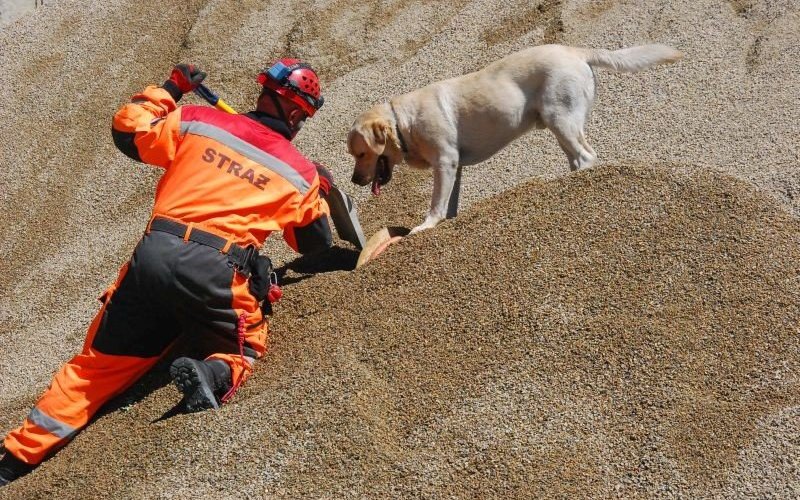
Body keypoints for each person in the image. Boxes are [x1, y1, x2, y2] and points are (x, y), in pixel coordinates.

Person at [0, 59, 335, 486]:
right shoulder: (297, 171)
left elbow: (129, 131)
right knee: (245, 349)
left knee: (94, 369)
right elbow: (313, 243)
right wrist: (318, 190)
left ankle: (14, 460)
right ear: (296, 113)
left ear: (262, 93)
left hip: (154, 256)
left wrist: (170, 89)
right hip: (216, 272)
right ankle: (212, 372)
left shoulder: (198, 121)